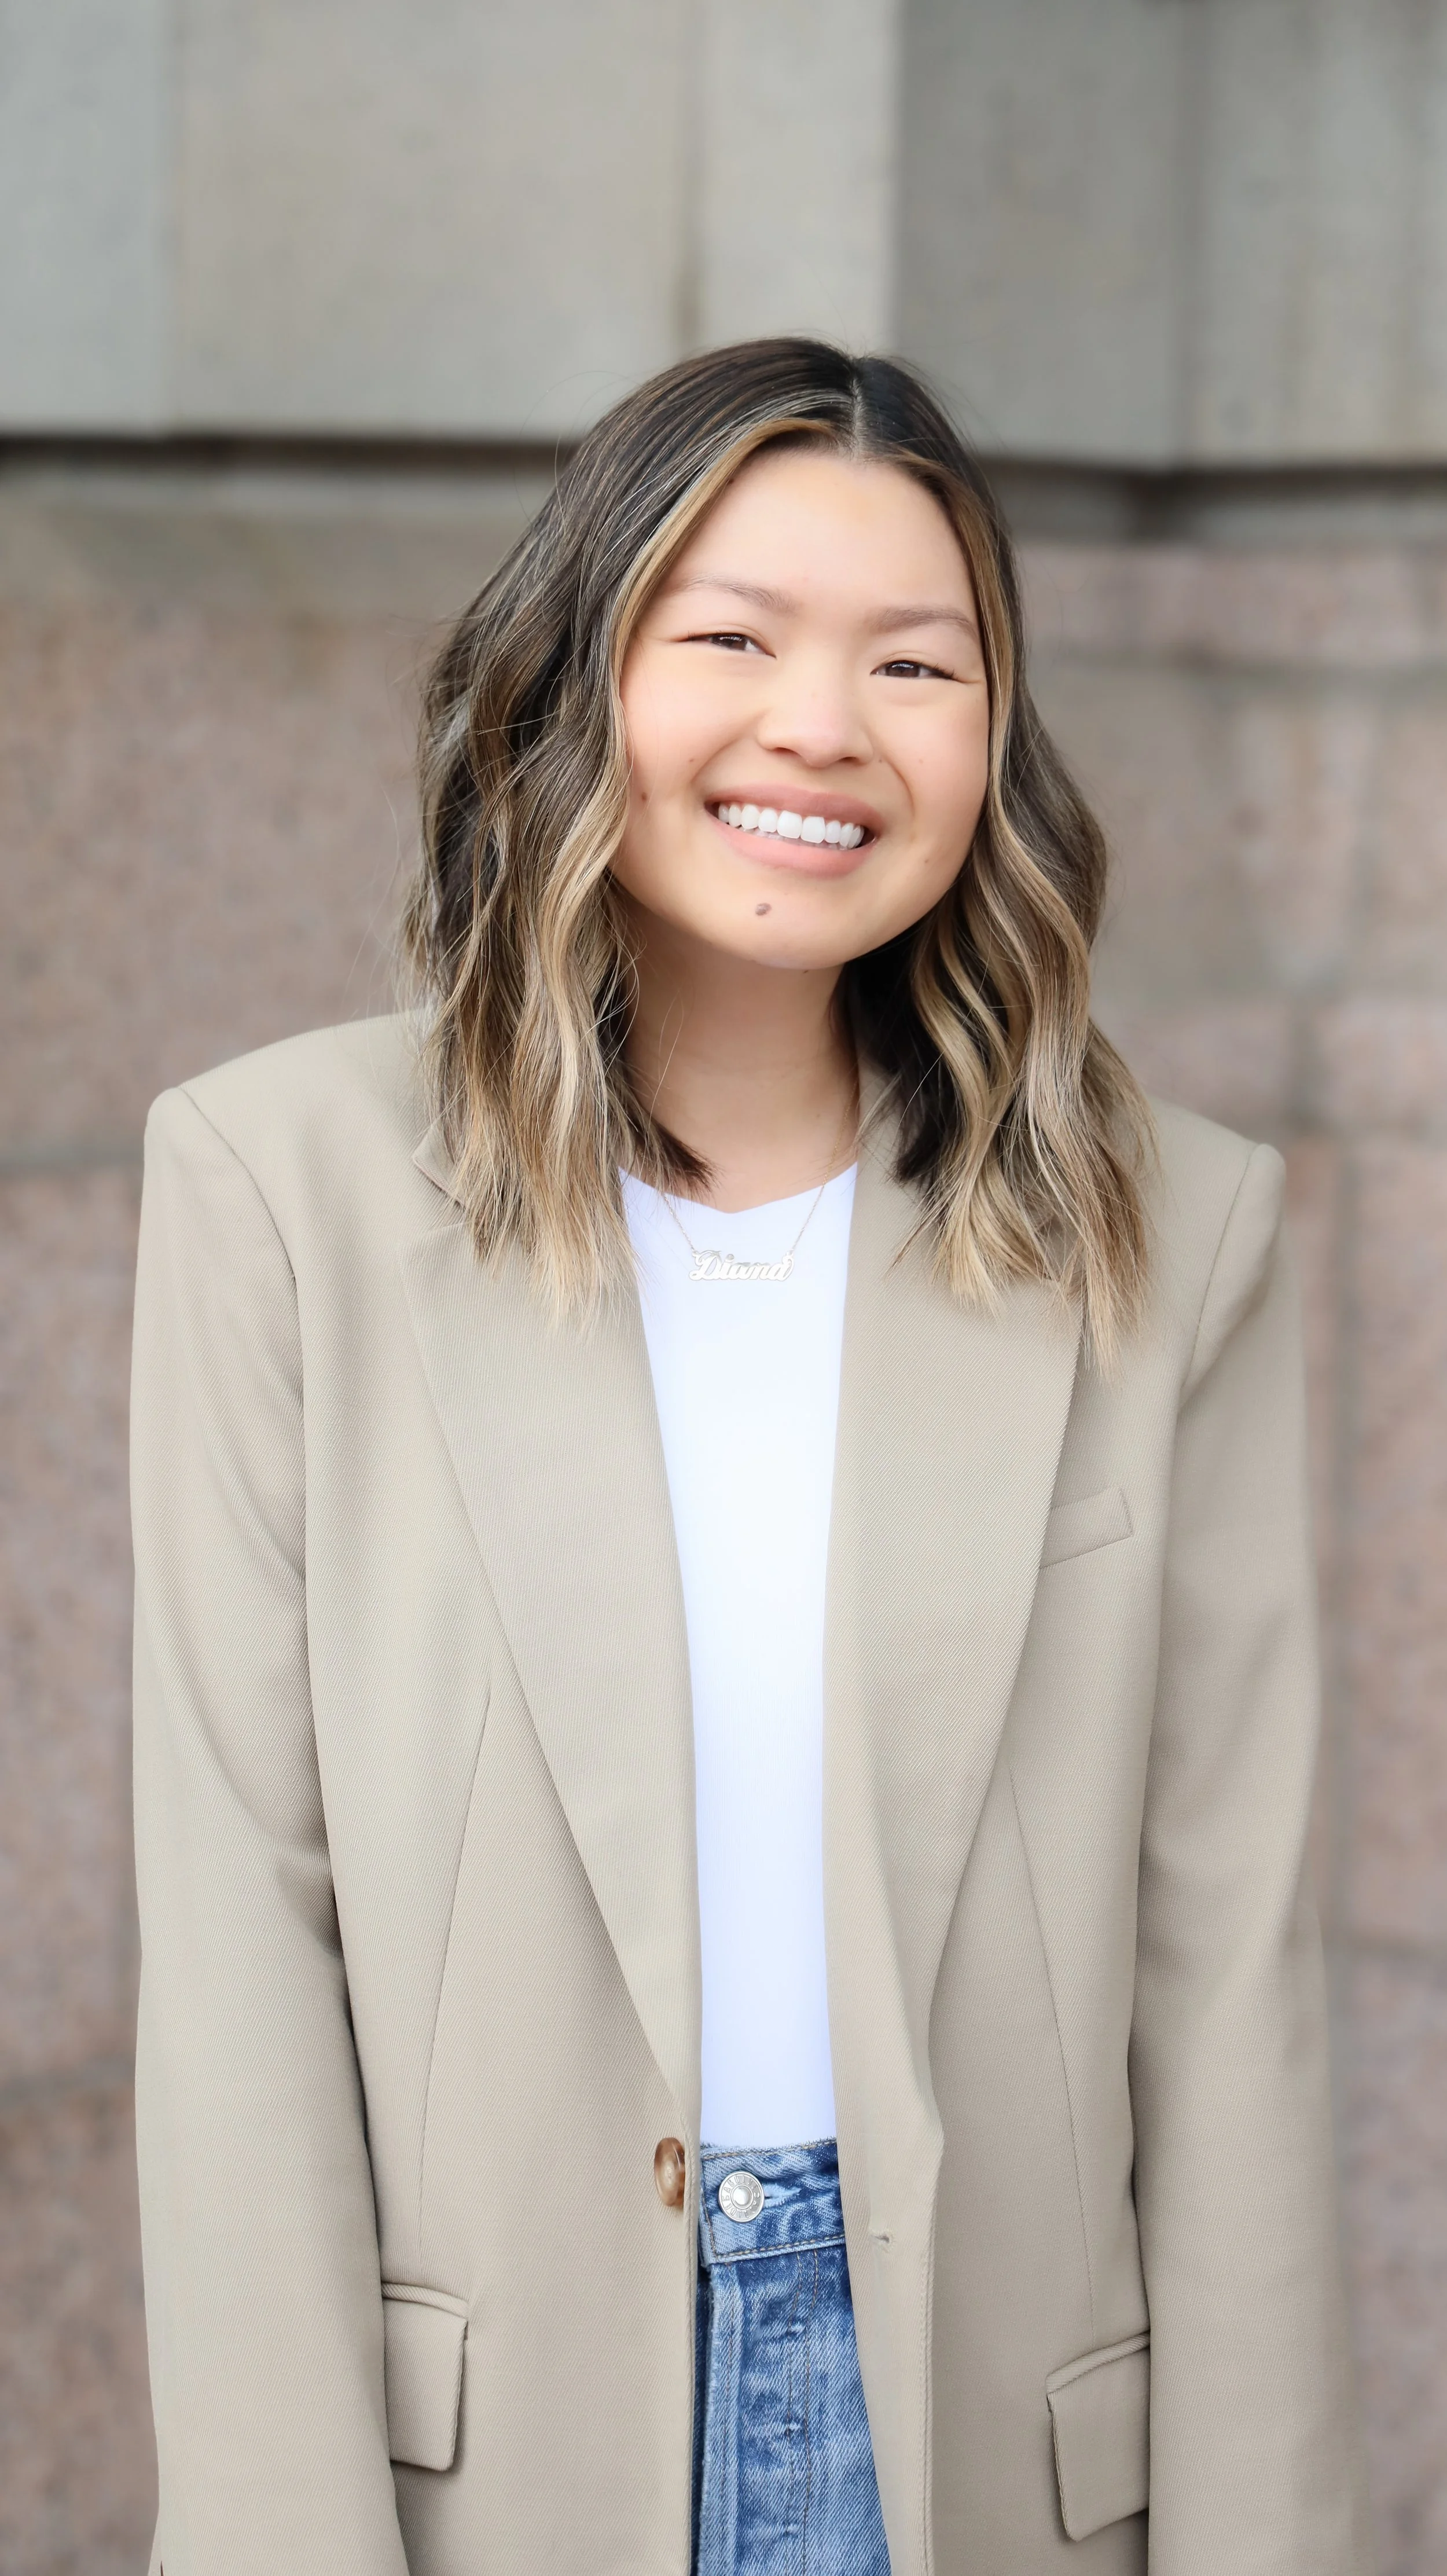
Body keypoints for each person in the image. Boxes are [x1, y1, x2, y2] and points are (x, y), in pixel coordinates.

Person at [130, 340, 1370, 2576]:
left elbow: (1230, 1978)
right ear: (572, 668)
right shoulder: (278, 1187)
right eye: (729, 637)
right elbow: (239, 1950)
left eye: (918, 661)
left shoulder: (1173, 1231)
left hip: (995, 2451)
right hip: (487, 2473)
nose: (824, 724)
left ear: (992, 742)